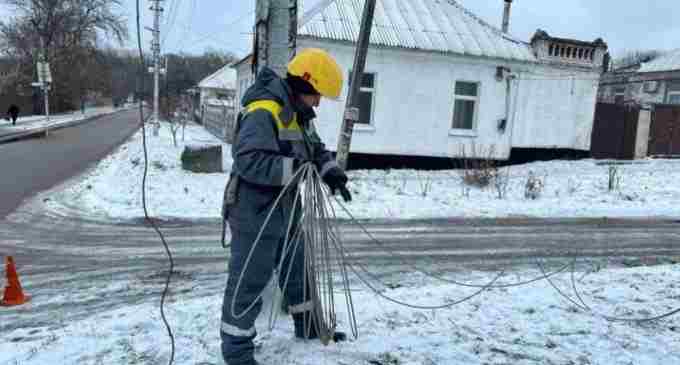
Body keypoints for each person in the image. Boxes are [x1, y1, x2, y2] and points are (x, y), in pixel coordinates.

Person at [220, 48, 352, 365]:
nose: (318, 102)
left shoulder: (296, 113)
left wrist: (330, 171)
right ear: (303, 85)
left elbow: (314, 149)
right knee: (248, 282)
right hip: (256, 212)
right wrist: (295, 169)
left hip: (287, 209)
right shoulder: (264, 110)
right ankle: (237, 353)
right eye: (316, 94)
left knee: (298, 270)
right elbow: (248, 160)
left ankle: (308, 327)